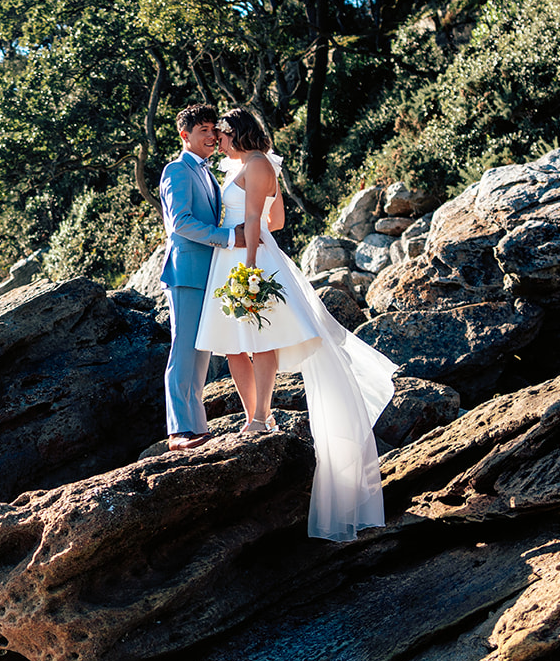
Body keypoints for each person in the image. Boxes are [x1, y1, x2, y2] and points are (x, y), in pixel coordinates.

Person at [195, 108, 397, 542]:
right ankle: (252, 414)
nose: (219, 141)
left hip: (246, 259)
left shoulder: (260, 164)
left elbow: (257, 222)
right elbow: (279, 221)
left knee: (261, 339)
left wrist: (249, 271)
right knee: (233, 345)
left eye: (223, 134)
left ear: (238, 133)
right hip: (231, 256)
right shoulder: (244, 165)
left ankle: (261, 417)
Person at [158, 105, 245, 451]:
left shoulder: (206, 173)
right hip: (185, 271)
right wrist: (227, 238)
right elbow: (179, 222)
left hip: (209, 272)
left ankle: (196, 426)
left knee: (201, 352)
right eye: (203, 130)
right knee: (183, 350)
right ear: (185, 136)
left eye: (213, 129)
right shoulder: (176, 170)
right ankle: (179, 431)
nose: (211, 136)